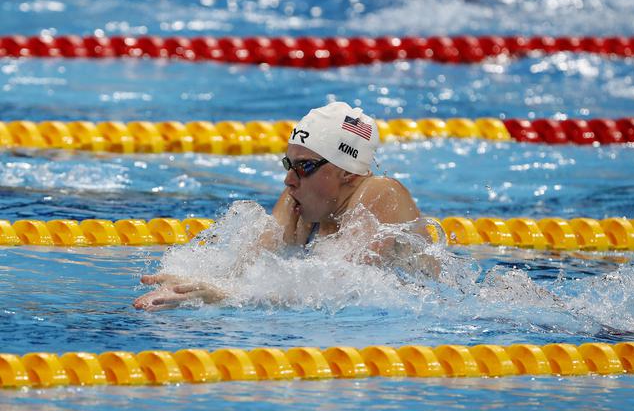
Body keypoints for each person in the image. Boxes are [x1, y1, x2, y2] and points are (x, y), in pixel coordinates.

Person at [134, 101, 427, 311]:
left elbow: (338, 287)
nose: (288, 180)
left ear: (348, 172)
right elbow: (250, 266)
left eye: (305, 166)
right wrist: (197, 285)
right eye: (289, 164)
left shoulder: (381, 193)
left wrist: (229, 294)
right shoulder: (303, 197)